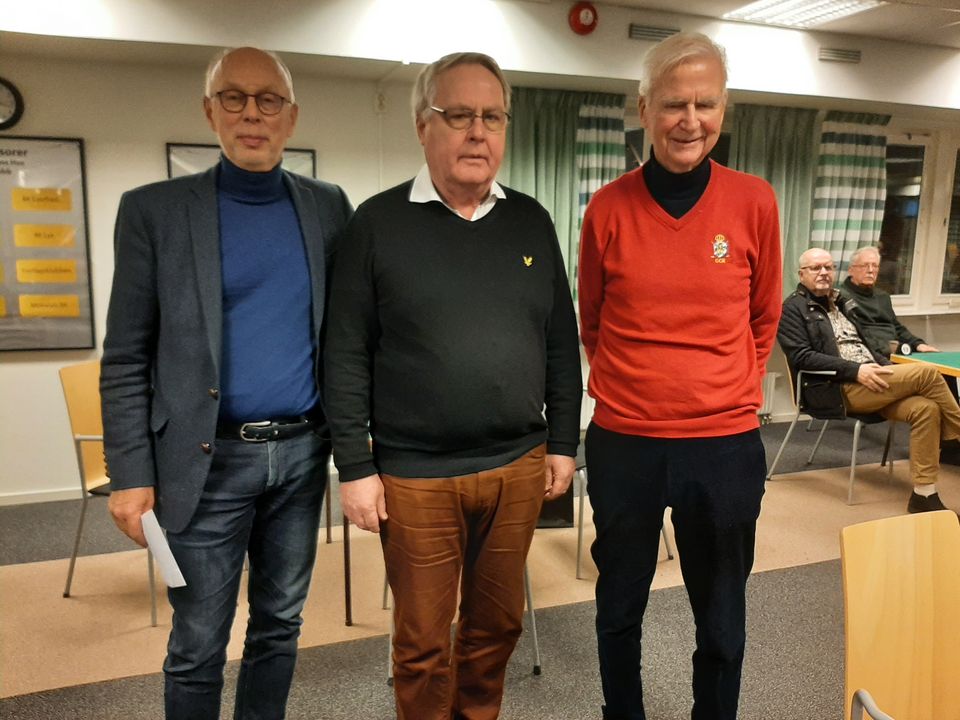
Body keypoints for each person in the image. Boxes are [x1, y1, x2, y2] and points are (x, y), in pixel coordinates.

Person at [324, 51, 582, 720]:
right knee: (421, 646)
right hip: (416, 475)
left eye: (492, 117)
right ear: (422, 125)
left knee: (496, 629)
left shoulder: (531, 220)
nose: (477, 132)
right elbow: (344, 352)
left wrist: (563, 442)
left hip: (517, 466)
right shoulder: (375, 224)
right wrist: (355, 467)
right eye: (459, 114)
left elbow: (559, 339)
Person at [100, 47, 352, 720]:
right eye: (233, 98)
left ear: (291, 116)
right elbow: (125, 356)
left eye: (269, 100)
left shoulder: (329, 207)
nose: (251, 113)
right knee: (198, 642)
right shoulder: (153, 211)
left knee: (280, 626)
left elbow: (350, 336)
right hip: (203, 464)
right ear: (209, 111)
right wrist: (129, 473)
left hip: (301, 458)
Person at [578, 32, 782, 720]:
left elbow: (763, 317)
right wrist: (644, 385)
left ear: (723, 109)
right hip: (625, 443)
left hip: (723, 447)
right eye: (673, 104)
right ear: (644, 109)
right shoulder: (607, 208)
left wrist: (723, 389)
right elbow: (592, 320)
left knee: (722, 621)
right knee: (618, 610)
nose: (689, 120)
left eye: (705, 103)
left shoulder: (755, 201)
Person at [778, 247, 960, 514]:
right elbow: (802, 357)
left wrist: (885, 367)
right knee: (928, 373)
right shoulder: (791, 309)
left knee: (927, 408)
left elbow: (868, 346)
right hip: (837, 387)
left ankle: (924, 494)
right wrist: (856, 371)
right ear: (801, 274)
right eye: (816, 268)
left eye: (828, 267)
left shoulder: (841, 302)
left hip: (872, 379)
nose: (824, 273)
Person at [839, 246, 939, 357]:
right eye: (865, 266)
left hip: (895, 352)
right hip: (869, 355)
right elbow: (857, 335)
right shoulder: (841, 297)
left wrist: (917, 344)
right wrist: (891, 349)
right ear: (851, 270)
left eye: (875, 266)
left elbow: (896, 327)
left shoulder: (882, 296)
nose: (871, 270)